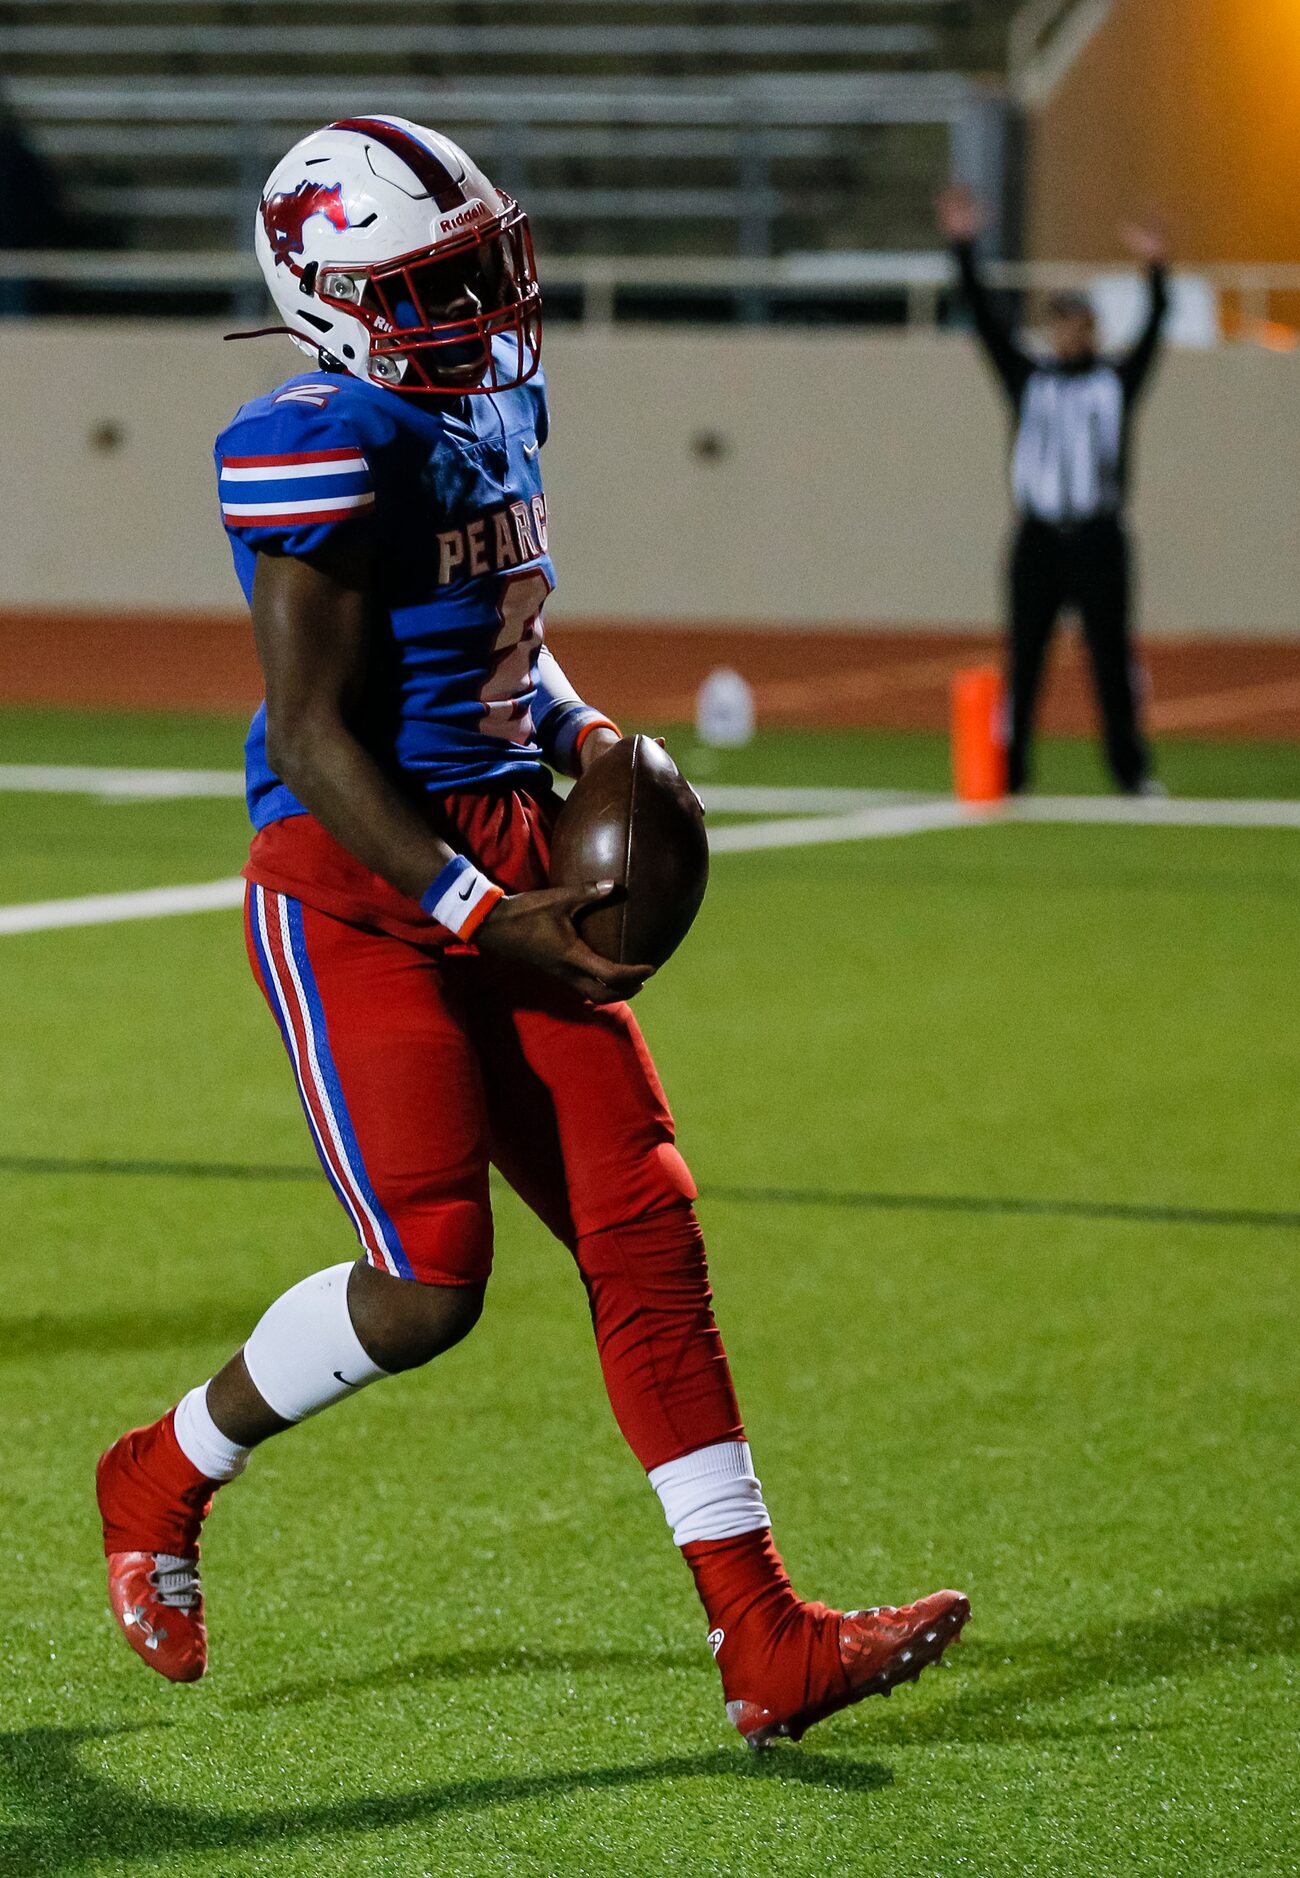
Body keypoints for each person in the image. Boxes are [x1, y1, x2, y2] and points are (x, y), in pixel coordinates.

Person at [96, 116, 968, 1748]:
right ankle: (159, 1468)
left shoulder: (487, 398)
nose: (484, 302)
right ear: (327, 293)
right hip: (359, 875)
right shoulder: (315, 437)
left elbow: (510, 634)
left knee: (646, 1219)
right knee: (431, 1284)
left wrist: (583, 739)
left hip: (499, 839)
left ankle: (764, 1634)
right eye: (434, 281)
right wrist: (479, 911)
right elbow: (311, 732)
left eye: (484, 262)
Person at [938, 186, 1170, 795]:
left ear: (1092, 329)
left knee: (1110, 663)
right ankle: (1011, 775)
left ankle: (1131, 774)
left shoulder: (1114, 382)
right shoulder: (1029, 378)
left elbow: (1154, 334)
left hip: (1098, 535)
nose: (1068, 335)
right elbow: (986, 323)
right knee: (1025, 662)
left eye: (1078, 324)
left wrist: (1156, 271)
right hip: (1037, 537)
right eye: (1059, 324)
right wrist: (963, 247)